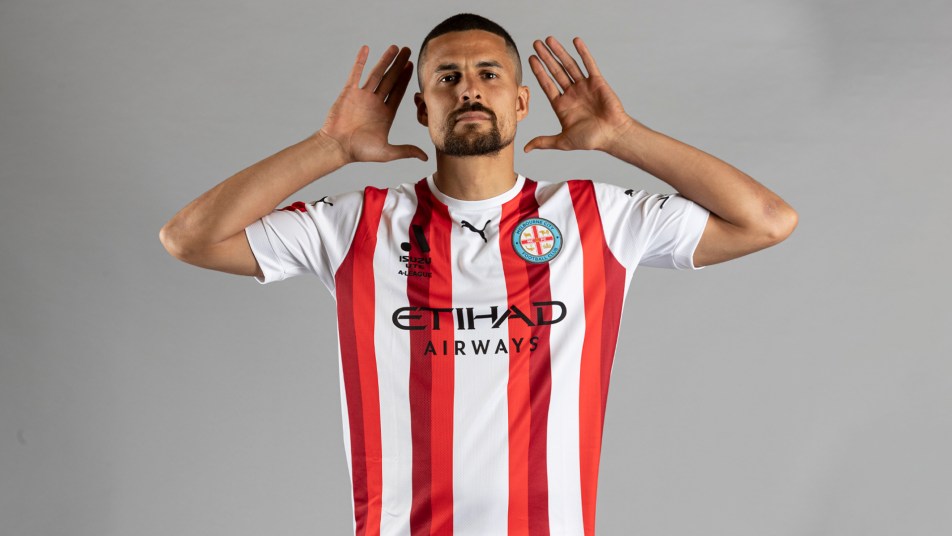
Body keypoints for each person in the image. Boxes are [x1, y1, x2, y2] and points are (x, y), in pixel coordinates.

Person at [159, 13, 797, 536]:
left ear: (520, 101)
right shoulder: (359, 225)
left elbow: (767, 220)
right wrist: (332, 147)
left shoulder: (597, 218)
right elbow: (189, 237)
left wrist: (621, 135)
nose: (469, 90)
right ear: (421, 108)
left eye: (488, 74)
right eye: (448, 77)